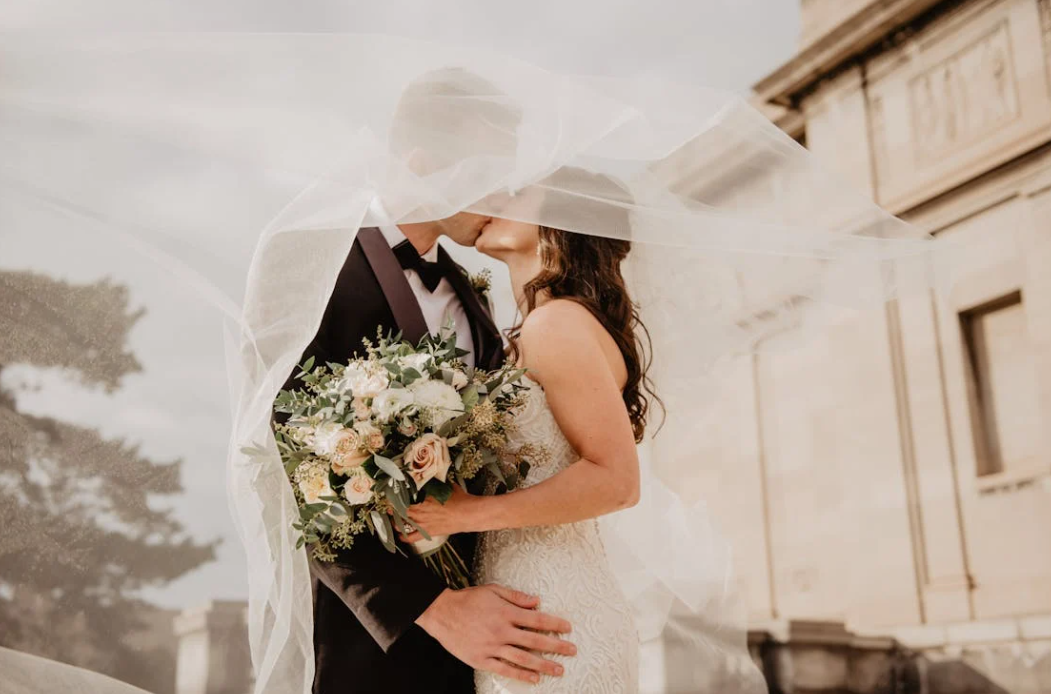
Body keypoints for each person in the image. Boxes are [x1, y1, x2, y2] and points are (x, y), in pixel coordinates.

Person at [287, 69, 576, 694]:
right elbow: (288, 469)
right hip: (373, 648)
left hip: (495, 639)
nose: (502, 195)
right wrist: (436, 611)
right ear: (423, 163)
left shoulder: (474, 299)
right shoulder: (309, 263)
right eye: (489, 173)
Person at [404, 182, 652, 693]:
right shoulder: (536, 328)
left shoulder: (555, 325)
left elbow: (618, 481)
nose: (493, 197)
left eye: (517, 192)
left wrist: (465, 514)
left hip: (553, 611)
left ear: (559, 221)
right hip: (524, 604)